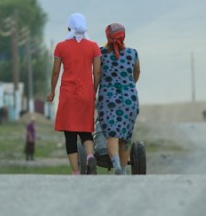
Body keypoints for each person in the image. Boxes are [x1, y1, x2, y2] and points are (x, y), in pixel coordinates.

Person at [46, 13, 102, 175]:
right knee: (85, 130)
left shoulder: (61, 47)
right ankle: (90, 155)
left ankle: (76, 171)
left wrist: (52, 91)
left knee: (70, 134)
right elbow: (97, 72)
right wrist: (94, 90)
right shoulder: (93, 47)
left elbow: (56, 71)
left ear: (69, 27)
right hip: (86, 93)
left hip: (68, 94)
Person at [96, 22, 140, 175]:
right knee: (125, 135)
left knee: (112, 132)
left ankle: (116, 163)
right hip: (129, 98)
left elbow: (97, 75)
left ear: (107, 36)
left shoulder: (100, 53)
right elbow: (136, 74)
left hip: (108, 98)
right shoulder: (133, 54)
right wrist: (128, 86)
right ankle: (123, 169)